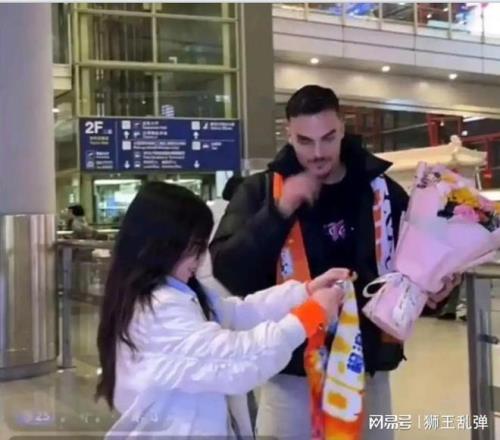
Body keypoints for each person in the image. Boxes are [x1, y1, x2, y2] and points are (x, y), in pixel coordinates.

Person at [210, 85, 457, 439]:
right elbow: (229, 270)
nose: (318, 153)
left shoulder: (383, 193)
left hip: (367, 368)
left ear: (342, 127)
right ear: (288, 133)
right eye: (305, 141)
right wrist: (279, 212)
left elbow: (415, 269)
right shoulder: (261, 192)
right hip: (291, 372)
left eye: (327, 138)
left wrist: (435, 293)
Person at [96, 181, 349, 438]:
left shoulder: (174, 294)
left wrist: (305, 293)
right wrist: (310, 315)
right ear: (162, 244)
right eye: (194, 248)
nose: (200, 260)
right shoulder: (159, 312)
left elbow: (237, 314)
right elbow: (237, 360)